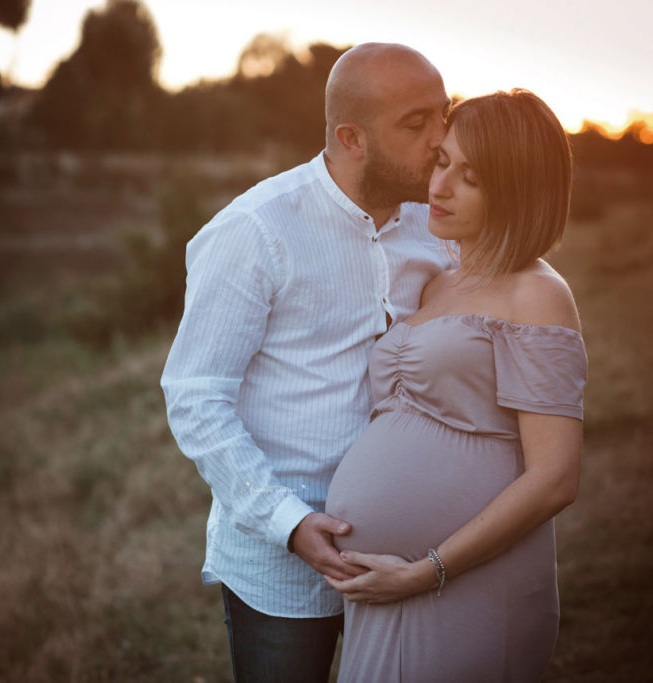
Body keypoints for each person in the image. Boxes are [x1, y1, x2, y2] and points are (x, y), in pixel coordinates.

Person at [160, 43, 452, 681]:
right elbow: (195, 396)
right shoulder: (256, 231)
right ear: (352, 137)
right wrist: (287, 523)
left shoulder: (439, 228)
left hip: (411, 550)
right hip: (281, 564)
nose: (441, 141)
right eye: (415, 124)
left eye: (444, 114)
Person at [323, 89, 587, 682]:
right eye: (442, 161)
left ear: (518, 191)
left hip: (465, 585)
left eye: (471, 177)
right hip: (386, 589)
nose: (439, 187)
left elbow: (555, 478)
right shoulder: (437, 282)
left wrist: (427, 570)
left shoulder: (537, 294)